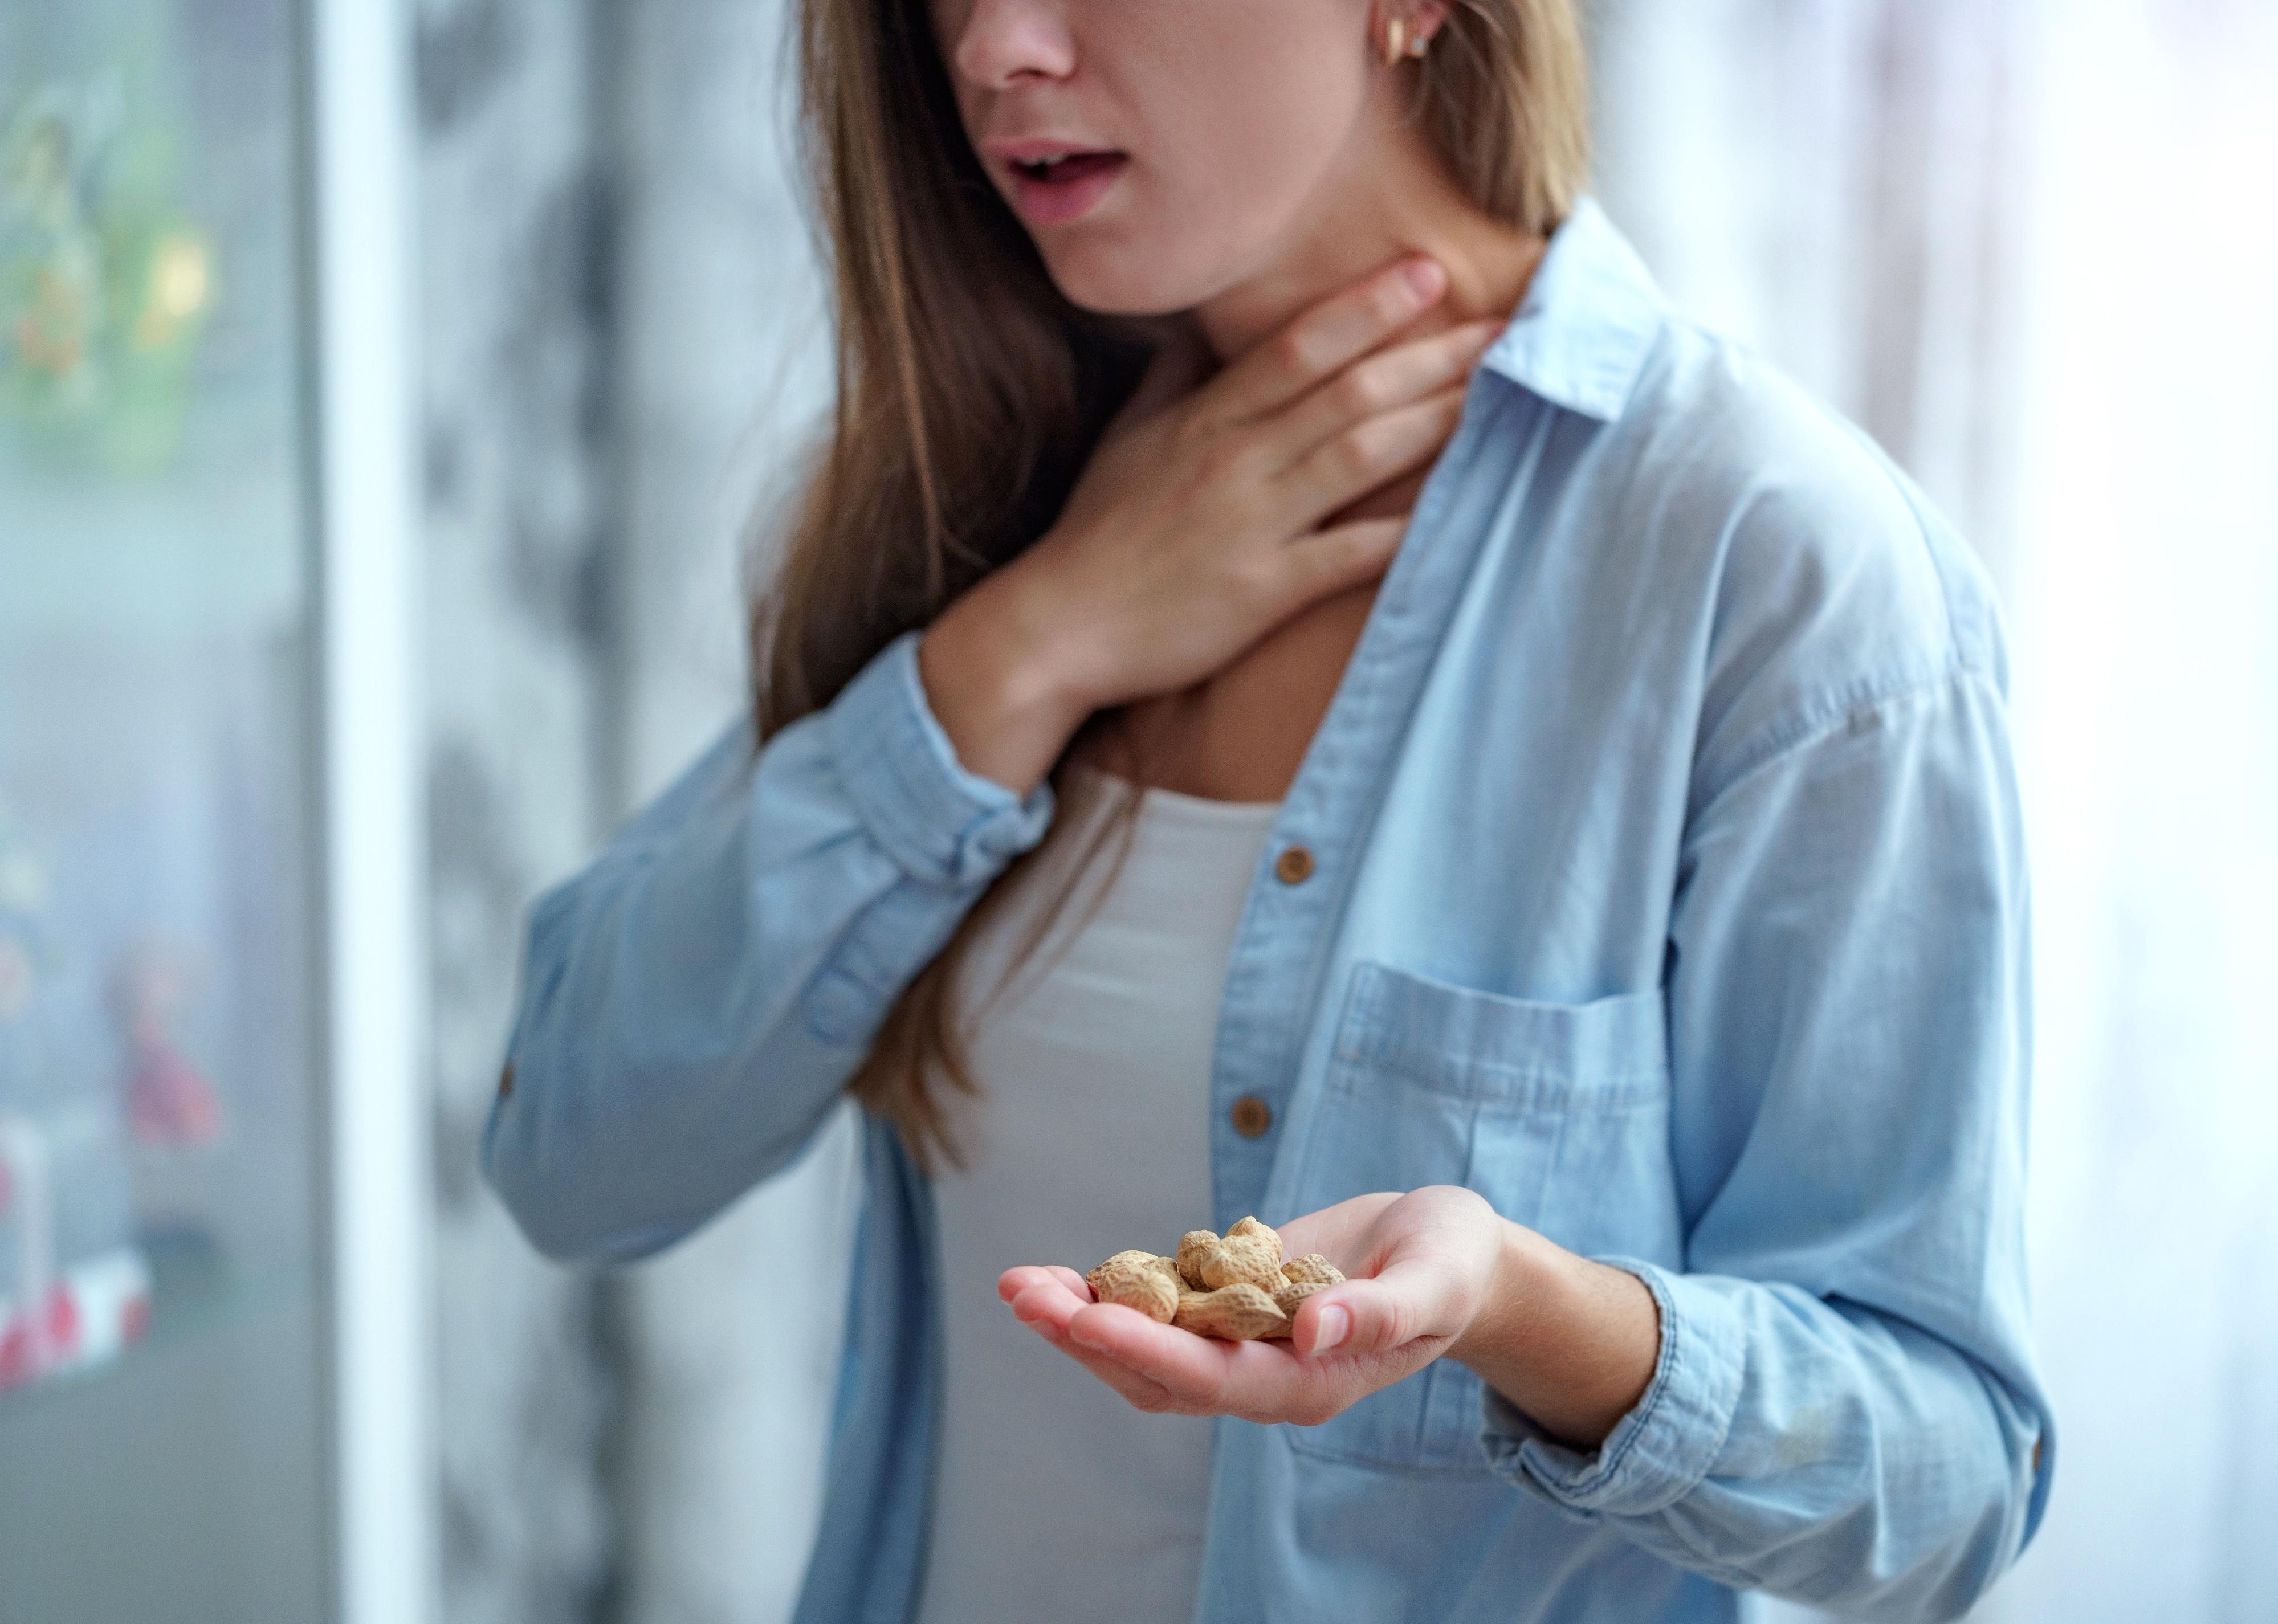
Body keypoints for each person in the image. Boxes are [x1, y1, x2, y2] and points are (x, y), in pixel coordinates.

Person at [483, 1, 2056, 1619]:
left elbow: (1945, 1480)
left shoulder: (1781, 574)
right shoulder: (998, 490)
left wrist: (1519, 1305)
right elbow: (570, 1149)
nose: (996, 49)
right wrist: (1036, 639)